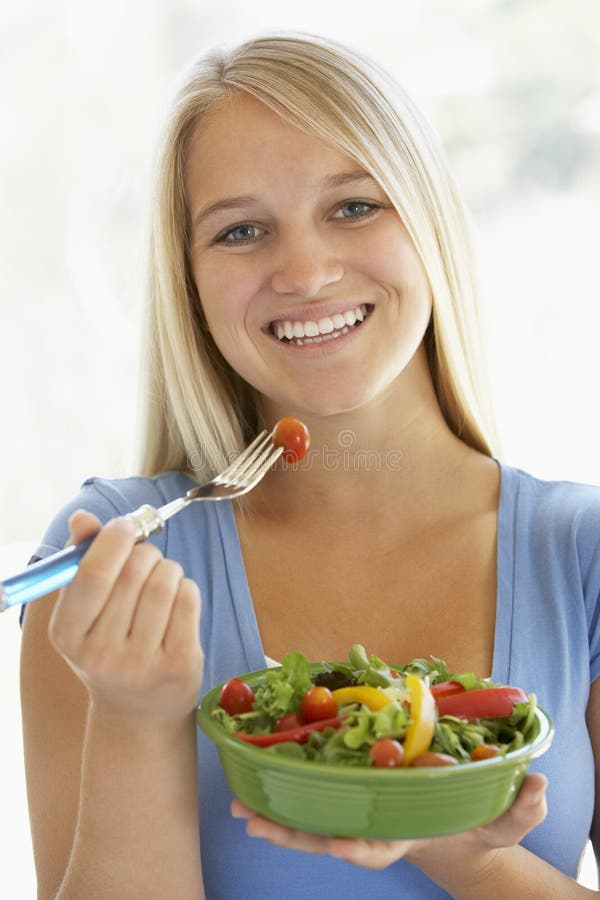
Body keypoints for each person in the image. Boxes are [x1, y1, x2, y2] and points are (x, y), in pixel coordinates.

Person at [19, 32, 600, 899]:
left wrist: (455, 845)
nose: (305, 270)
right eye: (241, 230)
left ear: (427, 216)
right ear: (190, 283)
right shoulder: (113, 570)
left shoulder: (579, 556)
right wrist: (136, 726)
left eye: (354, 207)